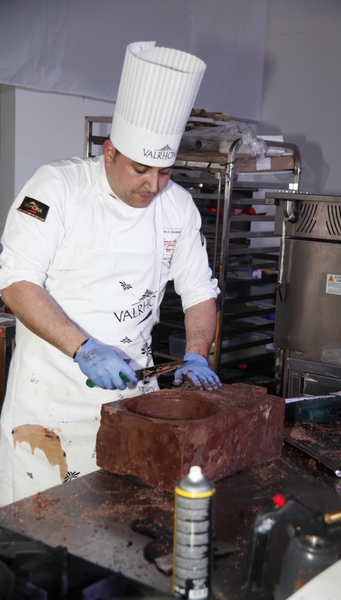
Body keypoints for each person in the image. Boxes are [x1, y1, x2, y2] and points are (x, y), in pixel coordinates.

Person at [0, 42, 220, 507]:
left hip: (134, 402)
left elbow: (199, 291)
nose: (153, 186)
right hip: (50, 406)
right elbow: (15, 282)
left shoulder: (176, 206)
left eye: (164, 172)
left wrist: (196, 353)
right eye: (141, 170)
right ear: (109, 151)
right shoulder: (56, 187)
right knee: (43, 537)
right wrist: (83, 348)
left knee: (123, 526)